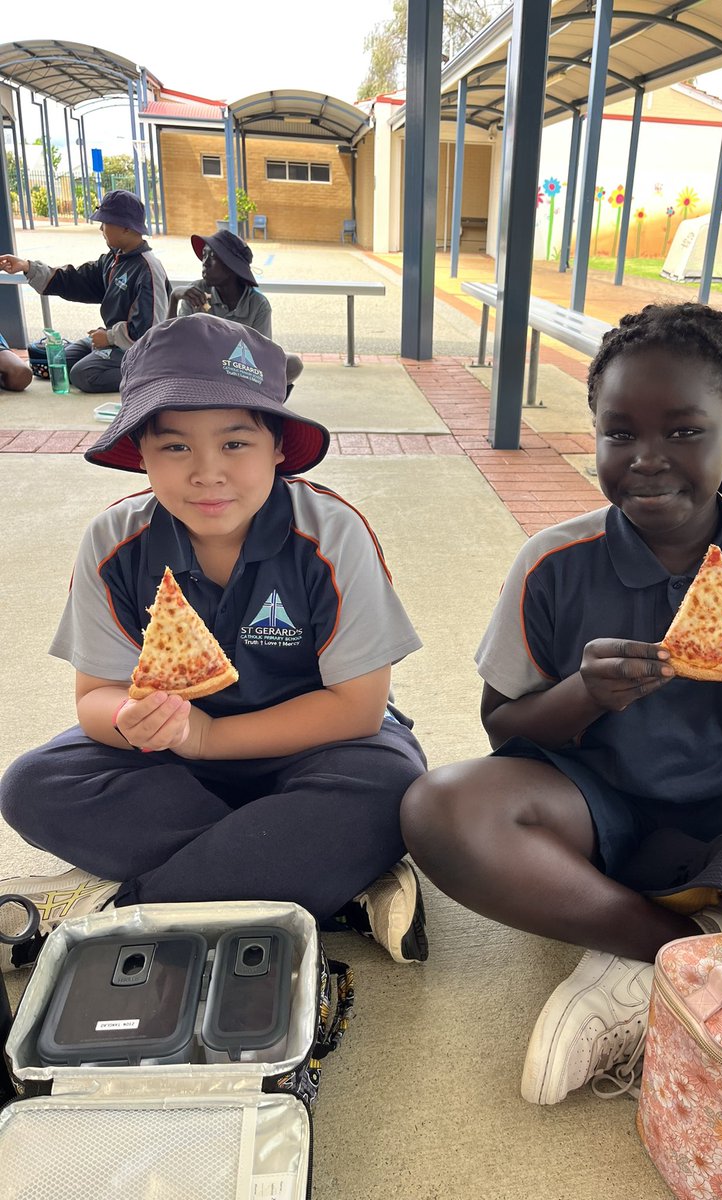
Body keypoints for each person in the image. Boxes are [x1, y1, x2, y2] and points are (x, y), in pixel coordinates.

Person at [400, 302, 722, 1104]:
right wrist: (582, 696)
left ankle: (716, 964)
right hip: (589, 809)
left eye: (684, 431)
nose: (648, 459)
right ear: (594, 431)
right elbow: (503, 726)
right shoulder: (555, 562)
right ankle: (691, 957)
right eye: (620, 432)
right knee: (439, 807)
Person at [0, 314, 429, 967]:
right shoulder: (113, 544)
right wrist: (133, 719)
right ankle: (325, 881)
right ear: (139, 453)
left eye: (235, 444)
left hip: (316, 747)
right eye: (175, 448)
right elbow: (94, 699)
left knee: (394, 790)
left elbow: (357, 708)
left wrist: (210, 738)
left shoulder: (330, 534)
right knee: (32, 785)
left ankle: (116, 915)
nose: (206, 473)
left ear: (278, 447)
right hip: (170, 766)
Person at [0, 191, 169, 394]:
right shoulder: (113, 260)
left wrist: (109, 338)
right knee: (62, 362)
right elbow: (75, 280)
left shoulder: (148, 269)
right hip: (112, 340)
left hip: (139, 349)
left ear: (125, 227)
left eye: (105, 223)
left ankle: (155, 375)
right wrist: (27, 267)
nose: (100, 228)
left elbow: (151, 332)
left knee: (83, 374)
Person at [168, 229, 302, 383]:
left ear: (231, 266)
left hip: (240, 375)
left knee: (292, 364)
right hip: (199, 371)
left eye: (212, 256)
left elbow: (261, 358)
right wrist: (174, 297)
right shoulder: (195, 293)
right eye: (204, 255)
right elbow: (170, 345)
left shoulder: (258, 305)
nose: (205, 262)